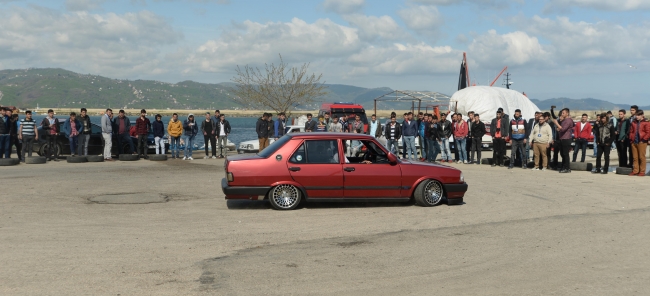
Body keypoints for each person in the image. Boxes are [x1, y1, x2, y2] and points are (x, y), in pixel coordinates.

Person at [551, 108, 573, 173]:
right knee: (562, 154)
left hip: (566, 139)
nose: (562, 114)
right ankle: (563, 166)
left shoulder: (568, 120)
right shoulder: (564, 120)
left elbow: (563, 129)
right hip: (562, 138)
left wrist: (556, 123)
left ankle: (567, 168)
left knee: (565, 154)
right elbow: (560, 129)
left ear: (567, 113)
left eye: (563, 113)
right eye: (562, 113)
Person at [628, 110, 649, 176]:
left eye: (638, 115)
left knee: (641, 157)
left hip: (642, 141)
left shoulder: (646, 122)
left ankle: (642, 171)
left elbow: (648, 132)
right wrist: (631, 139)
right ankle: (635, 170)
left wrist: (644, 139)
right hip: (634, 141)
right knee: (635, 157)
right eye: (636, 115)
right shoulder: (634, 122)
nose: (637, 117)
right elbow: (631, 131)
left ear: (642, 115)